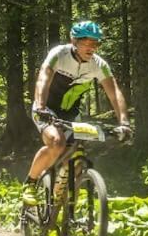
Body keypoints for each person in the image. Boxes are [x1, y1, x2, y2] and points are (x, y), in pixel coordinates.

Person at [23, 21, 132, 205]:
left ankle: (59, 201)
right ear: (74, 41)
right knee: (57, 142)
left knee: (78, 159)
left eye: (96, 43)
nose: (93, 47)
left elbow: (114, 93)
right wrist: (41, 107)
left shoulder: (99, 64)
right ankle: (30, 183)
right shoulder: (59, 54)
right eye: (88, 43)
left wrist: (124, 122)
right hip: (46, 108)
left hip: (70, 113)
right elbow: (43, 78)